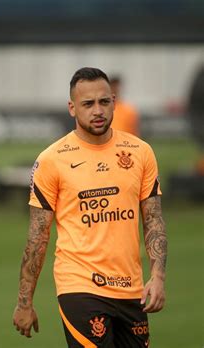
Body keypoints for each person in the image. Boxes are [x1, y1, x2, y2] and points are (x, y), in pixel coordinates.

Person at [13, 67, 167, 347]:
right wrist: (25, 302)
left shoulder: (141, 152)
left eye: (104, 102)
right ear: (72, 108)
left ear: (114, 103)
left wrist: (157, 277)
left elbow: (154, 219)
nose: (98, 110)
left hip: (131, 290)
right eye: (88, 104)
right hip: (79, 287)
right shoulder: (52, 160)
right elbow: (37, 237)